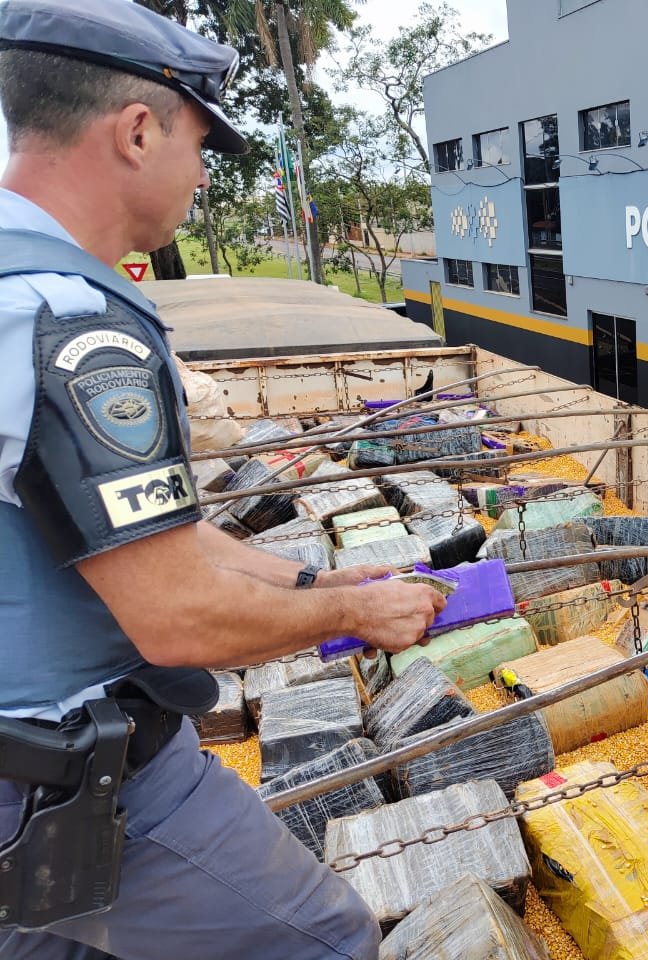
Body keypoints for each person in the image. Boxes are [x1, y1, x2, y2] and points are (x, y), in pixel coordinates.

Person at [0, 1, 446, 957]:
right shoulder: (75, 327)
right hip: (75, 778)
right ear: (136, 129)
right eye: (201, 144)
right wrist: (356, 619)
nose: (204, 175)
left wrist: (323, 580)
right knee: (326, 941)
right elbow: (176, 617)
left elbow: (137, 534)